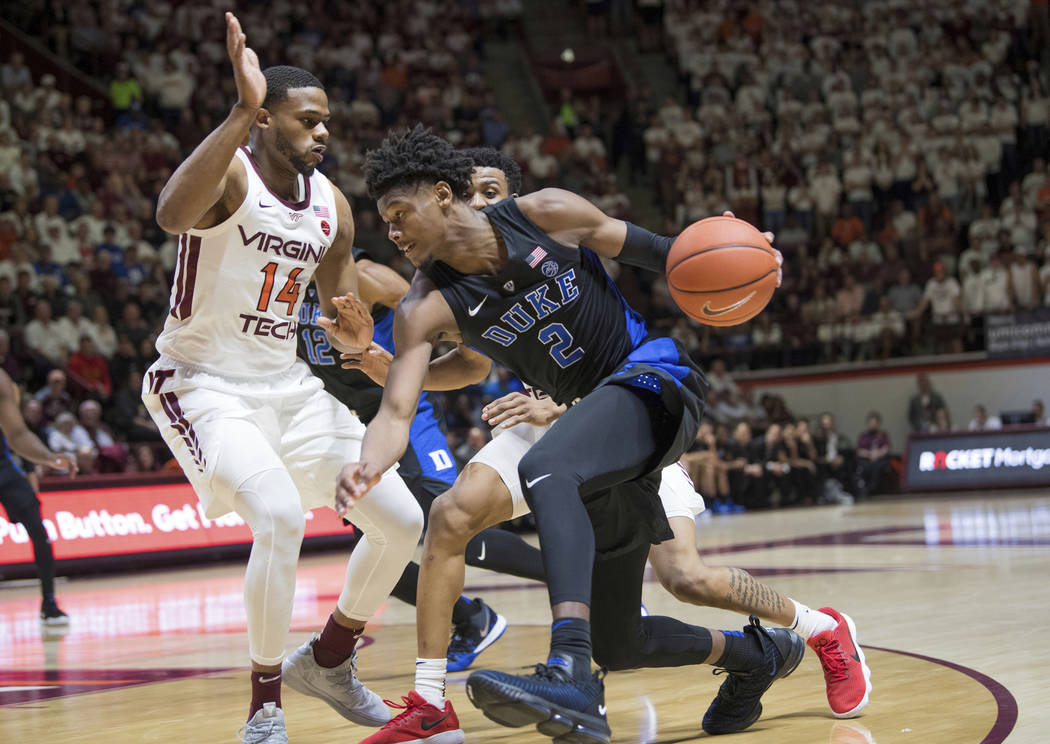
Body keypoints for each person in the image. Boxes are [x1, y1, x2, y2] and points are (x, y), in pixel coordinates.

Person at [340, 128, 865, 743]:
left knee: (676, 569)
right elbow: (397, 411)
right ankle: (754, 657)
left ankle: (573, 665)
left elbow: (668, 252)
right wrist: (368, 466)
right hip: (576, 434)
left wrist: (744, 251)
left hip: (649, 383)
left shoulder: (545, 214)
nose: (394, 232)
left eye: (401, 215)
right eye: (387, 222)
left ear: (443, 195)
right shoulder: (423, 307)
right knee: (615, 636)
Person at [142, 15, 423, 743]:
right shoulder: (231, 170)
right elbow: (171, 215)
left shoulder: (330, 204)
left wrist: (364, 342)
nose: (322, 132)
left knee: (402, 521)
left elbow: (340, 305)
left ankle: (329, 660)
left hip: (289, 386)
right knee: (278, 517)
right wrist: (237, 111)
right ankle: (264, 705)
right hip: (201, 382)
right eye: (307, 119)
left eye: (327, 122)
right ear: (267, 119)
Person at [297, 232, 546, 671]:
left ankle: (578, 581)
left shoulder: (367, 277)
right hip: (351, 423)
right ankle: (473, 618)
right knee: (375, 550)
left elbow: (442, 317)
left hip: (401, 409)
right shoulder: (277, 290)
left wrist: (456, 359)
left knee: (450, 519)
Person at [0, 369, 77, 623]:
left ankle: (49, 603)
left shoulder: (1, 381)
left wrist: (51, 458)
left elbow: (18, 434)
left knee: (39, 531)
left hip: (2, 465)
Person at [855, 412, 891, 498]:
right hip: (866, 459)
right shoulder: (863, 436)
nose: (872, 425)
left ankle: (873, 491)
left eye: (874, 423)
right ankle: (863, 490)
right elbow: (859, 451)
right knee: (863, 467)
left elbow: (886, 449)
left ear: (878, 424)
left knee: (877, 467)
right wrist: (869, 454)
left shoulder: (883, 435)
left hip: (879, 460)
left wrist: (877, 454)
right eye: (871, 423)